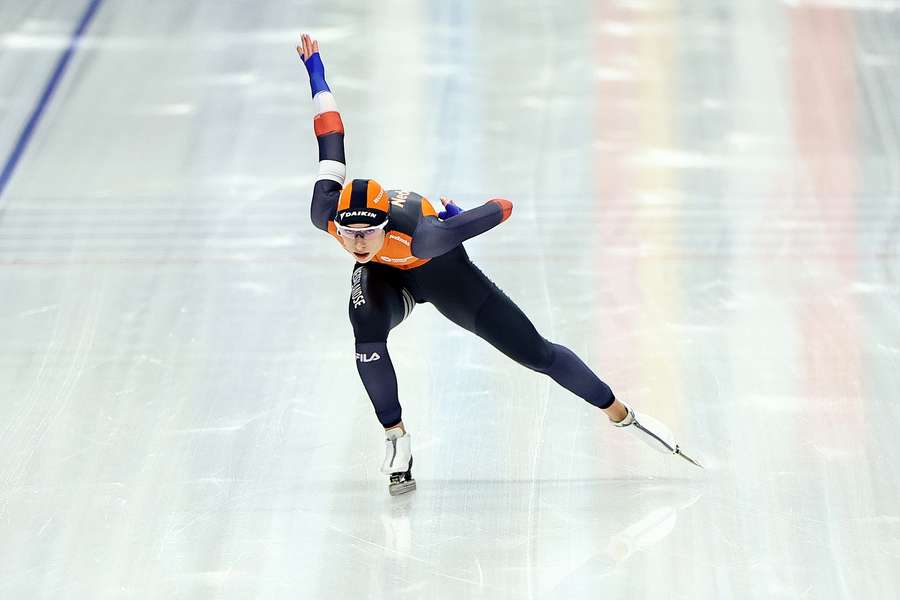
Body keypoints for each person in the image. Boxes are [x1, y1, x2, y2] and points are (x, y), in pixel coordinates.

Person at [295, 33, 701, 495]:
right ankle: (396, 437)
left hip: (444, 273)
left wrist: (459, 217)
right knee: (364, 324)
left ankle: (622, 415)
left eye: (368, 234)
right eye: (349, 235)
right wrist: (316, 74)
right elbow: (330, 135)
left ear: (386, 224)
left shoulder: (426, 236)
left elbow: (502, 206)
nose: (358, 244)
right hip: (391, 280)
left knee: (537, 354)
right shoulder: (325, 213)